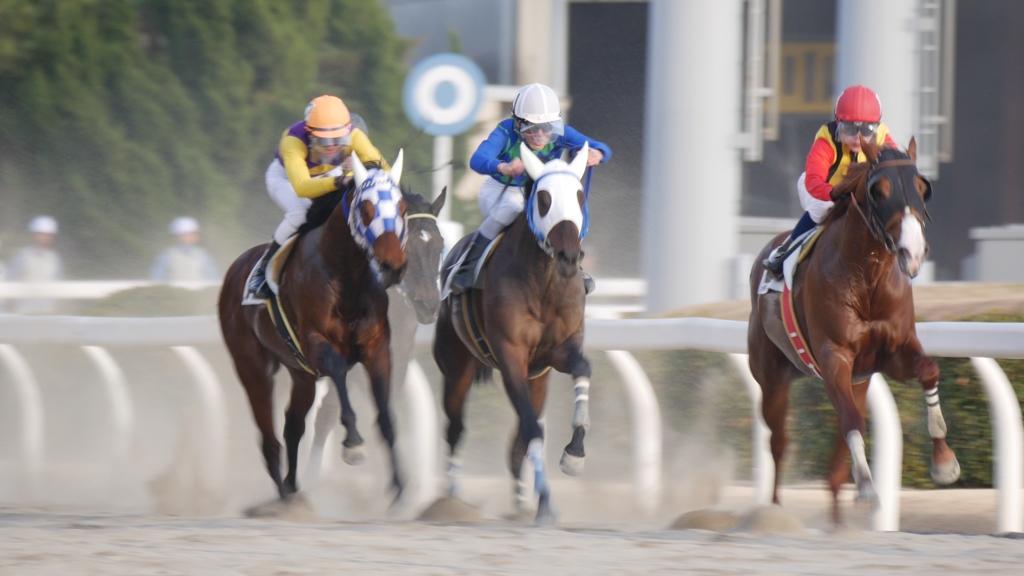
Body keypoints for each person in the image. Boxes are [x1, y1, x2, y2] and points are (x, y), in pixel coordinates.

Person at [450, 83, 612, 295]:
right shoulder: (505, 132)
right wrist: (503, 166)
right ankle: (468, 266)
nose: (540, 134)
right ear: (518, 122)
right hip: (501, 188)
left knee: (564, 211)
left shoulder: (562, 132)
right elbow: (477, 160)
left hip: (536, 191)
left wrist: (598, 154)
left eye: (547, 127)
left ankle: (574, 265)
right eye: (532, 128)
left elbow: (602, 147)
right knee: (511, 210)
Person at [249, 97, 390, 298]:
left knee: (348, 212)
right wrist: (340, 181)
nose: (332, 147)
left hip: (331, 174)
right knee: (301, 213)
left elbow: (385, 170)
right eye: (324, 141)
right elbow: (302, 187)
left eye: (338, 140)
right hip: (286, 179)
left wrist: (357, 171)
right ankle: (263, 271)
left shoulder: (355, 137)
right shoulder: (293, 141)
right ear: (310, 134)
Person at [763, 85, 899, 279]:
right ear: (838, 123)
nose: (857, 138)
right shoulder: (826, 140)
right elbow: (814, 180)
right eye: (850, 129)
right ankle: (783, 254)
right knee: (824, 209)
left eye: (866, 130)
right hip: (821, 189)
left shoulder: (883, 138)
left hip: (856, 193)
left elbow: (896, 169)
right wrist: (834, 193)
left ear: (877, 127)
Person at [7, 215, 64, 314]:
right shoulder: (21, 256)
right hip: (23, 312)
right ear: (34, 234)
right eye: (42, 234)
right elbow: (12, 283)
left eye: (48, 234)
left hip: (47, 313)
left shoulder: (55, 259)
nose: (45, 237)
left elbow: (58, 284)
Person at [150, 216, 219, 282]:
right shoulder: (166, 256)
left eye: (193, 234)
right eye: (186, 234)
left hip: (198, 294)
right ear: (178, 236)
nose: (192, 236)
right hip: (173, 293)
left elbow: (212, 280)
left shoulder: (204, 256)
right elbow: (156, 280)